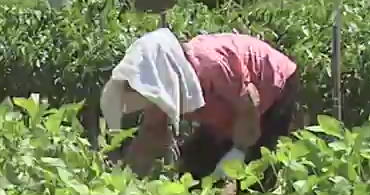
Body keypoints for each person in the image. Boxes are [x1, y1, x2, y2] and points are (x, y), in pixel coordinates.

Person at [100, 28, 299, 185]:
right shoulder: (158, 87)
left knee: (257, 172)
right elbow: (151, 134)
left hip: (271, 85)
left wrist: (237, 152)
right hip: (227, 109)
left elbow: (249, 106)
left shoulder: (211, 66)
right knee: (193, 173)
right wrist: (125, 182)